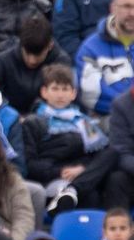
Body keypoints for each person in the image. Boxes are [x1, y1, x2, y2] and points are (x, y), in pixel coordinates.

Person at [23, 63, 125, 213]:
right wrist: (61, 171)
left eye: (65, 89)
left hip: (80, 177)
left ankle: (72, 190)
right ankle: (71, 192)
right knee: (89, 195)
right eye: (55, 89)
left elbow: (99, 155)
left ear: (73, 94)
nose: (60, 95)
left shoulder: (83, 122)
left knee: (112, 152)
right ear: (44, 92)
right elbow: (30, 164)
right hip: (51, 179)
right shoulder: (33, 122)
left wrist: (82, 169)